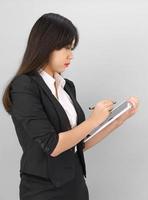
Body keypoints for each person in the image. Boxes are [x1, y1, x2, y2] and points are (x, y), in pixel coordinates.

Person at [2, 12, 139, 200]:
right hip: (43, 191)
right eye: (65, 47)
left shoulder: (67, 87)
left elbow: (78, 143)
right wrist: (93, 120)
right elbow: (53, 146)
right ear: (45, 46)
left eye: (72, 48)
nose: (70, 55)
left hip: (75, 184)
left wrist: (117, 120)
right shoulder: (24, 86)